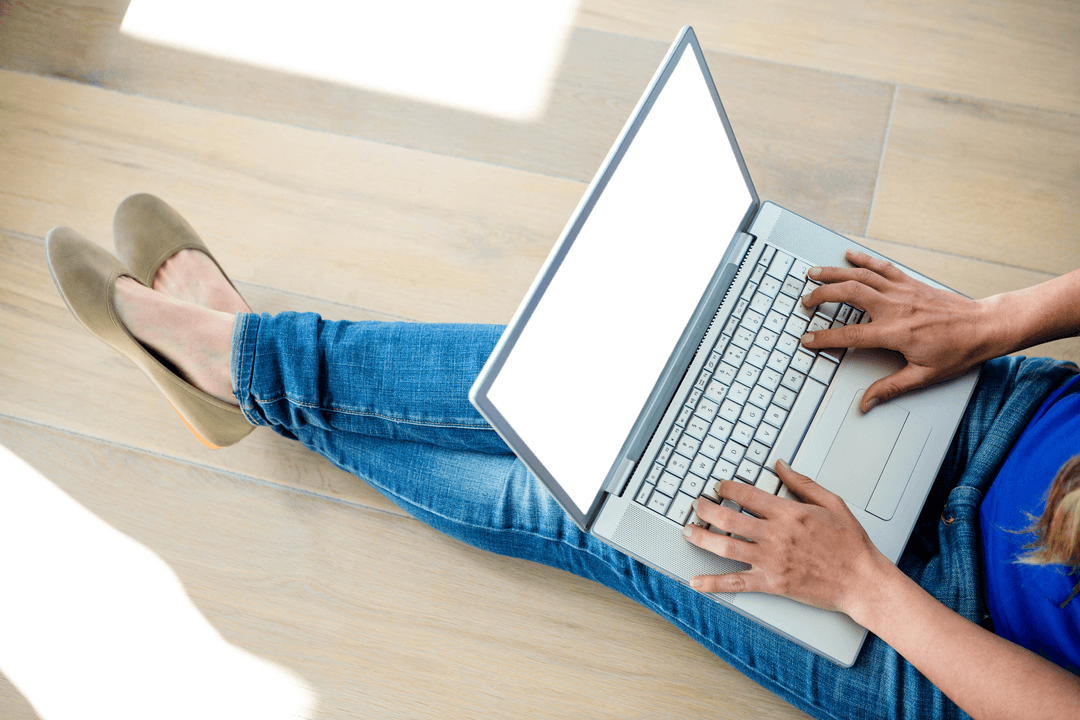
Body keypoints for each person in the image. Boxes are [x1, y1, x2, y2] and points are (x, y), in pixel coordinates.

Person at [45, 194, 1080, 720]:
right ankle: (253, 370)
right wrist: (998, 318)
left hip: (949, 629)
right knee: (634, 368)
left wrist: (860, 584)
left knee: (597, 506)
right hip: (1002, 408)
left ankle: (243, 367)